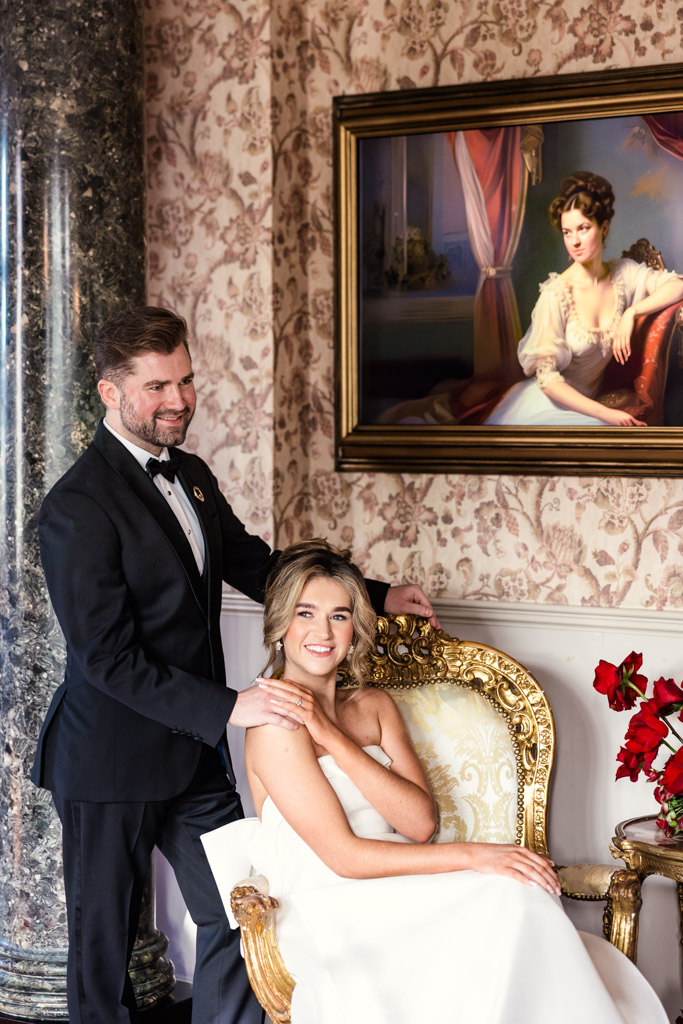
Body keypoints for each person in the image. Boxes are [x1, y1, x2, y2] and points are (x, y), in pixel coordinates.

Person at [31, 306, 439, 1024]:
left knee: (242, 914)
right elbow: (107, 659)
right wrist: (230, 707)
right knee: (104, 951)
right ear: (108, 392)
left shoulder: (189, 474)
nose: (179, 400)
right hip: (108, 759)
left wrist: (375, 595)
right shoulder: (76, 507)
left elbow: (259, 566)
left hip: (191, 760)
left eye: (186, 380)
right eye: (158, 386)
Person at [245, 539, 668, 1024]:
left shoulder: (373, 706)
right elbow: (344, 857)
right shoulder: (273, 722)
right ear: (279, 623)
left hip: (403, 884)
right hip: (330, 904)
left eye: (339, 616)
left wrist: (335, 738)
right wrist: (477, 854)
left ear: (356, 629)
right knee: (509, 893)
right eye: (306, 613)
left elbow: (420, 822)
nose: (323, 631)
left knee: (521, 895)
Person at [485, 170, 683, 426]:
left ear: (604, 228)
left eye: (583, 228)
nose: (574, 241)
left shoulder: (623, 274)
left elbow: (677, 286)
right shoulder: (556, 293)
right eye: (567, 232)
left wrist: (631, 313)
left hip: (585, 409)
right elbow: (548, 382)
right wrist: (607, 414)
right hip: (549, 405)